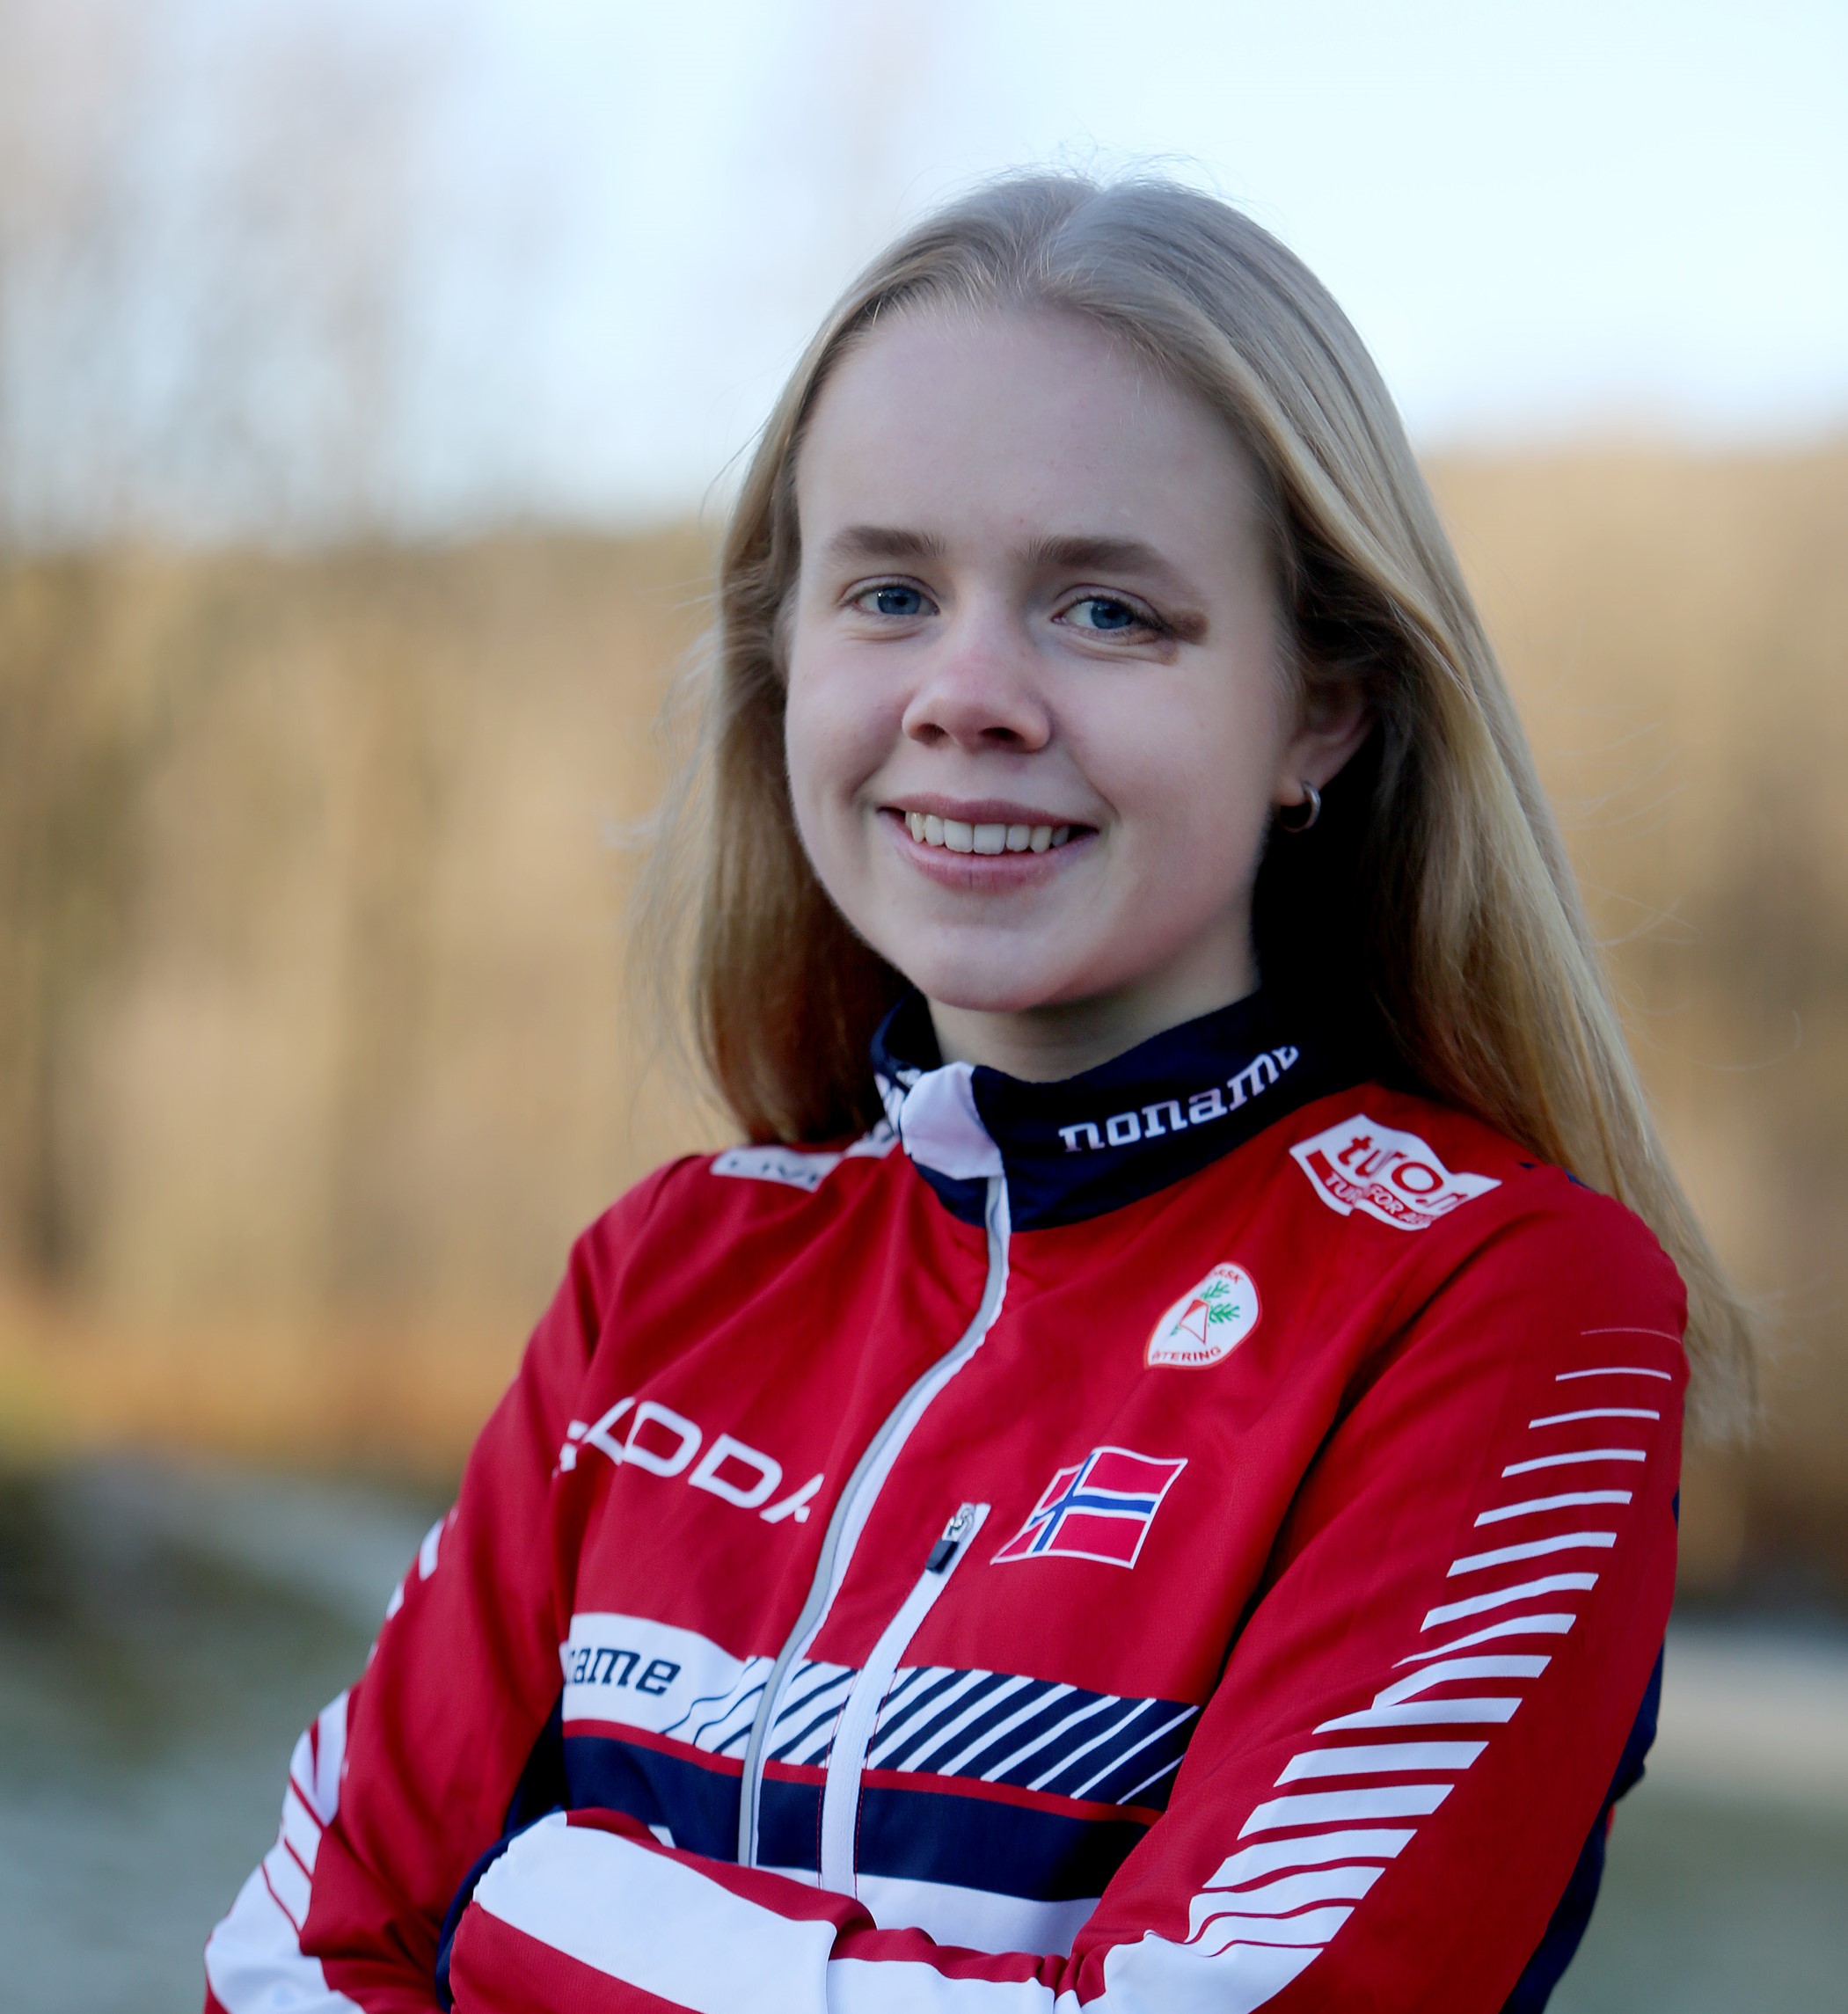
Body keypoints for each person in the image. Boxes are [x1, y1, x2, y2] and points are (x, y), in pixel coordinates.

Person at [202, 173, 1750, 2014]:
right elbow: (297, 1957)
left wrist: (549, 1914)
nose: (967, 693)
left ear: (1318, 708)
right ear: (786, 656)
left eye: (1105, 608)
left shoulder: (1505, 1303)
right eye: (888, 591)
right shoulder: (666, 1272)